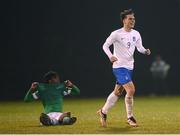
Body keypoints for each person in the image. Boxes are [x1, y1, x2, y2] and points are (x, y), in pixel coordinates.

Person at [97, 9, 151, 127]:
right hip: (119, 67)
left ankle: (103, 112)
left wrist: (145, 51)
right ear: (124, 20)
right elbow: (105, 46)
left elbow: (139, 47)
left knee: (117, 92)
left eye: (133, 19)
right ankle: (130, 117)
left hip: (129, 67)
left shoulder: (136, 33)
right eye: (130, 19)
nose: (132, 21)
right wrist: (111, 56)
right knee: (131, 90)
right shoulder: (116, 33)